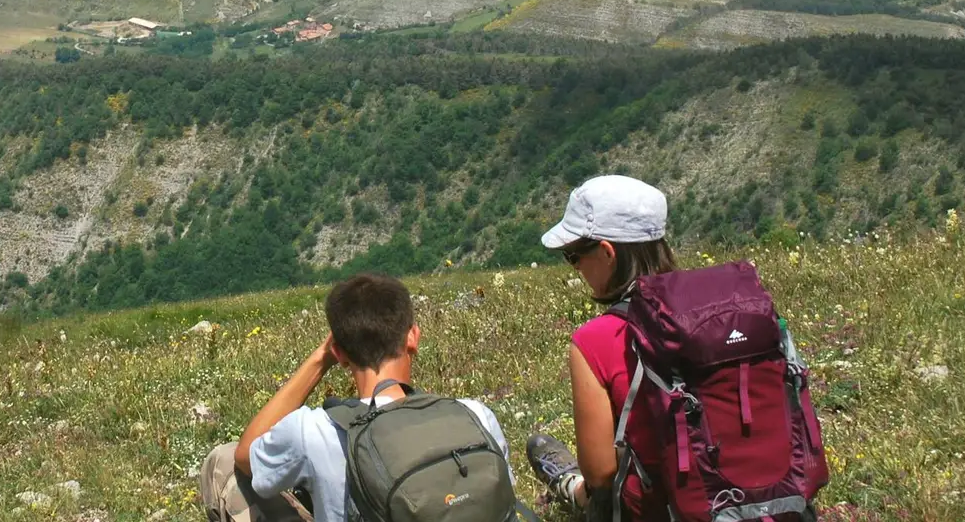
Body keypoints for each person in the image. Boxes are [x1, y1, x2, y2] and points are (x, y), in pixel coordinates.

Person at [199, 272, 513, 522]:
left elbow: (245, 456)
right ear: (413, 337)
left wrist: (320, 360)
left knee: (223, 462)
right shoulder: (476, 415)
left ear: (340, 353)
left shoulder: (315, 432)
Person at [524, 175, 678, 522]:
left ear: (607, 253)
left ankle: (569, 487)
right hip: (762, 500)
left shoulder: (596, 339)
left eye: (573, 256)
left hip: (664, 509)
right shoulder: (737, 310)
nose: (575, 268)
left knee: (595, 486)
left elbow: (602, 473)